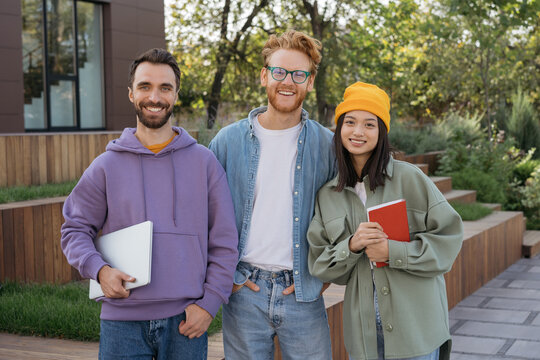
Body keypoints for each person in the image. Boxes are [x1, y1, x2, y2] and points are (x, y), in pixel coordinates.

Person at [60, 48, 238, 360]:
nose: (154, 97)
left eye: (164, 88)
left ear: (176, 95)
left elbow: (225, 241)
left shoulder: (204, 163)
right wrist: (99, 271)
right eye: (145, 86)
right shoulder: (105, 166)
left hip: (187, 319)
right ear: (131, 93)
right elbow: (74, 229)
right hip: (121, 323)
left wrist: (210, 305)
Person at [307, 82, 463, 360]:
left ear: (381, 132)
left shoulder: (410, 179)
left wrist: (393, 252)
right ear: (339, 128)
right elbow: (322, 265)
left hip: (416, 329)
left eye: (369, 124)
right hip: (363, 334)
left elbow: (448, 242)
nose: (358, 132)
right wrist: (351, 246)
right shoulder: (328, 195)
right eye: (350, 122)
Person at [208, 30, 335, 359]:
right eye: (279, 72)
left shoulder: (327, 145)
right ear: (265, 75)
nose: (287, 82)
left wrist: (325, 277)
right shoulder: (227, 141)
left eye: (298, 74)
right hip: (244, 290)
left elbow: (344, 212)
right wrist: (227, 277)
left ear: (310, 82)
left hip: (303, 291)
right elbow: (206, 214)